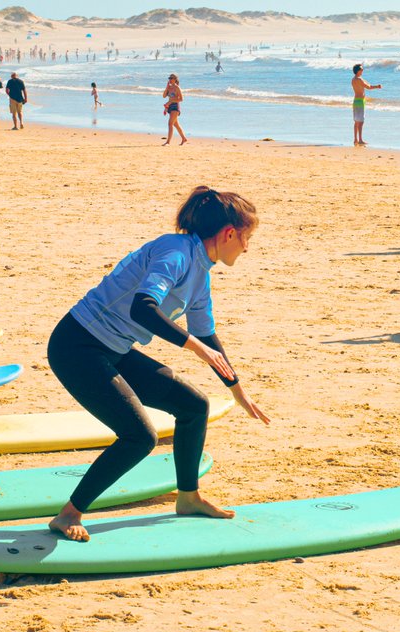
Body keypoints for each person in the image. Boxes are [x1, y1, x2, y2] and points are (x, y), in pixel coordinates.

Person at [46, 186, 270, 542]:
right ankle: (69, 513)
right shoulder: (176, 253)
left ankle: (188, 497)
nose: (247, 247)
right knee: (139, 437)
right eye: (247, 238)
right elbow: (143, 307)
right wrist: (194, 347)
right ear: (230, 233)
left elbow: (207, 335)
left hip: (112, 348)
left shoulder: (201, 272)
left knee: (194, 405)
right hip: (77, 345)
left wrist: (237, 390)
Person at [351, 63, 382, 146]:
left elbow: (365, 83)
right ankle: (360, 140)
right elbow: (369, 87)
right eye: (361, 69)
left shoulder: (354, 79)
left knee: (356, 122)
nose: (362, 70)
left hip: (356, 101)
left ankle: (355, 139)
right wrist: (377, 86)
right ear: (358, 71)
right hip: (360, 102)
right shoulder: (359, 80)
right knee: (360, 122)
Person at [162, 73, 188, 145]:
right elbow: (164, 96)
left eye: (171, 78)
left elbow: (181, 99)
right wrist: (167, 87)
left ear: (175, 79)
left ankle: (168, 142)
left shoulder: (177, 88)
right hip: (169, 107)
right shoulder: (169, 87)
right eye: (169, 78)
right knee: (176, 124)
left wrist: (171, 101)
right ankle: (184, 138)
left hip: (175, 107)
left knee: (170, 124)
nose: (169, 80)